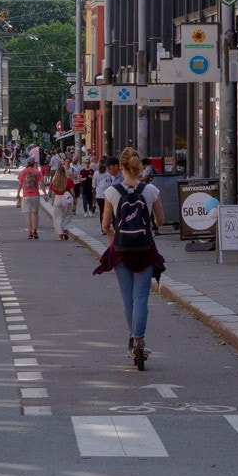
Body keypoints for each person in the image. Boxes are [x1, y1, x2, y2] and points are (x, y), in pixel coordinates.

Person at [95, 148, 166, 367]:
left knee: (128, 299)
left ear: (122, 167)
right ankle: (140, 340)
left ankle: (133, 341)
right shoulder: (151, 190)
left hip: (121, 250)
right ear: (138, 166)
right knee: (142, 297)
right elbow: (161, 220)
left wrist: (112, 235)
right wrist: (149, 226)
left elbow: (105, 225)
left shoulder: (111, 192)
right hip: (144, 249)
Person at [16, 158, 44, 239]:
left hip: (26, 195)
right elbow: (41, 184)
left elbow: (20, 184)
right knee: (35, 213)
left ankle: (30, 233)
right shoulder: (37, 172)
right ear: (34, 163)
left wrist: (18, 194)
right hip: (35, 195)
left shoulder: (23, 172)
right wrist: (45, 194)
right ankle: (35, 230)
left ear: (28, 163)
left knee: (28, 214)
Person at [46, 162, 75, 239]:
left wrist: (52, 201)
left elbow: (52, 193)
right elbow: (72, 191)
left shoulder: (54, 181)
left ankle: (60, 233)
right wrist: (74, 199)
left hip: (57, 198)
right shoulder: (69, 180)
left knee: (58, 217)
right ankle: (65, 231)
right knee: (66, 215)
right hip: (66, 198)